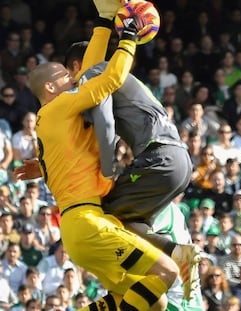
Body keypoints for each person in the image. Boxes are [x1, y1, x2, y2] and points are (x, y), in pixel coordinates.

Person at [15, 4, 179, 311]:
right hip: (88, 223)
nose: (74, 76)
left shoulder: (50, 120)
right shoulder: (60, 106)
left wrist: (104, 22)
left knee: (154, 300)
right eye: (66, 75)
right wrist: (128, 38)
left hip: (81, 226)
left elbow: (90, 71)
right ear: (51, 86)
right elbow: (108, 79)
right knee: (166, 272)